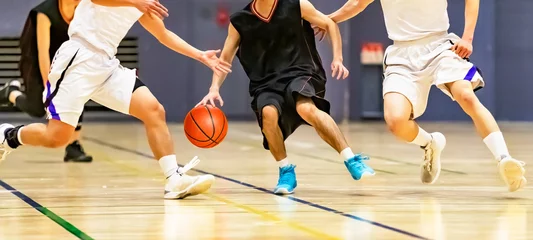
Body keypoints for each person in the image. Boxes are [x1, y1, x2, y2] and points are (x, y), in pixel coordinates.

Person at [0, 0, 232, 199]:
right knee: (57, 137)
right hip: (77, 60)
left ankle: (173, 178)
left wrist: (200, 55)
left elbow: (163, 34)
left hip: (106, 65)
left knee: (153, 109)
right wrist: (134, 2)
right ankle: (9, 136)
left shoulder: (144, 2)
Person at [320, 0, 526, 192]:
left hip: (440, 46)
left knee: (466, 96)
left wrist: (468, 38)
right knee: (395, 121)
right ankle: (430, 143)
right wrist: (328, 19)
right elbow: (357, 3)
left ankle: (504, 159)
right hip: (402, 54)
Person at [197, 0, 375, 195]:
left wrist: (338, 58)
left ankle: (351, 159)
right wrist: (214, 88)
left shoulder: (297, 4)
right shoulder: (240, 21)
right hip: (266, 82)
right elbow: (225, 60)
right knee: (268, 115)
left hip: (301, 71)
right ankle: (285, 171)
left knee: (305, 108)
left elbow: (329, 24)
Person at [0, 0, 93, 162]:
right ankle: (10, 93)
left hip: (66, 59)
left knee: (77, 91)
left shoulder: (85, 8)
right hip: (37, 61)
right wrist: (49, 87)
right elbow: (42, 54)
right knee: (37, 109)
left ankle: (73, 146)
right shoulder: (44, 13)